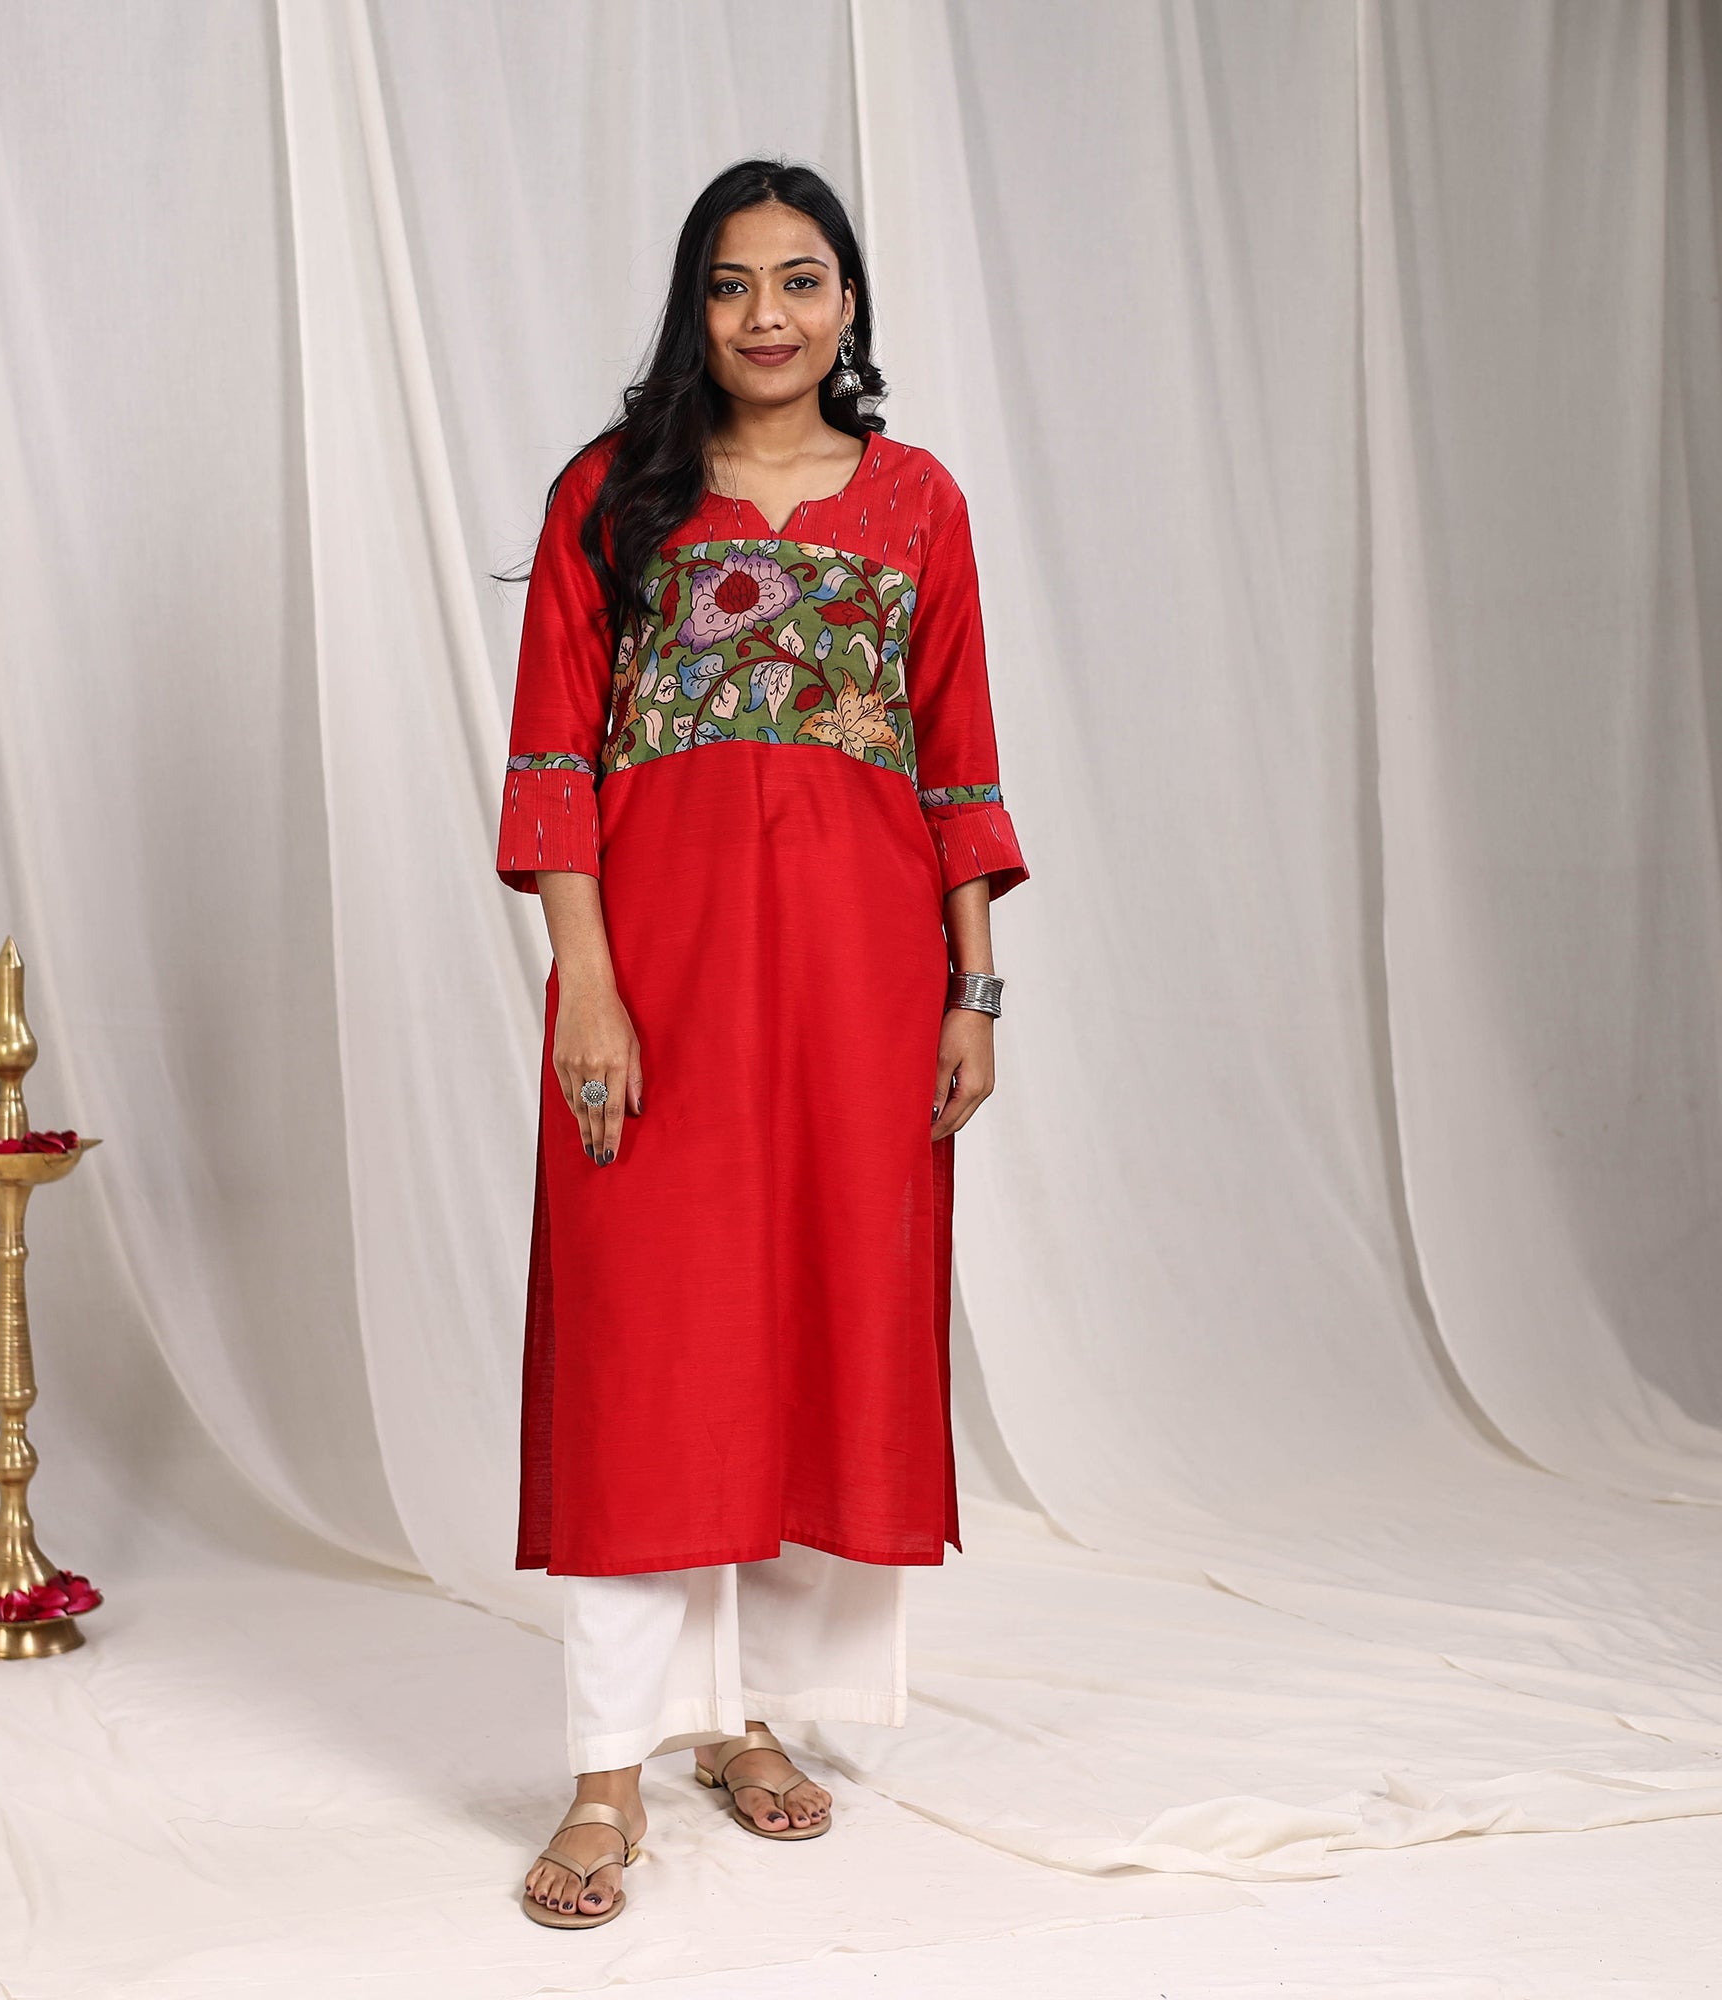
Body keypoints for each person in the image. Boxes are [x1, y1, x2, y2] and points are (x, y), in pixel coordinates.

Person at [494, 158, 1028, 1929]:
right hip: (663, 984)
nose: (769, 315)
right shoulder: (614, 497)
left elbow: (958, 761)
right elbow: (552, 759)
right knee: (648, 1347)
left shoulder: (918, 504)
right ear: (696, 308)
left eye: (801, 280)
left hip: (861, 995)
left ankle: (746, 1721)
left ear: (849, 300)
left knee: (815, 1328)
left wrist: (972, 992)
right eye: (733, 285)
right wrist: (586, 983)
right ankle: (606, 1776)